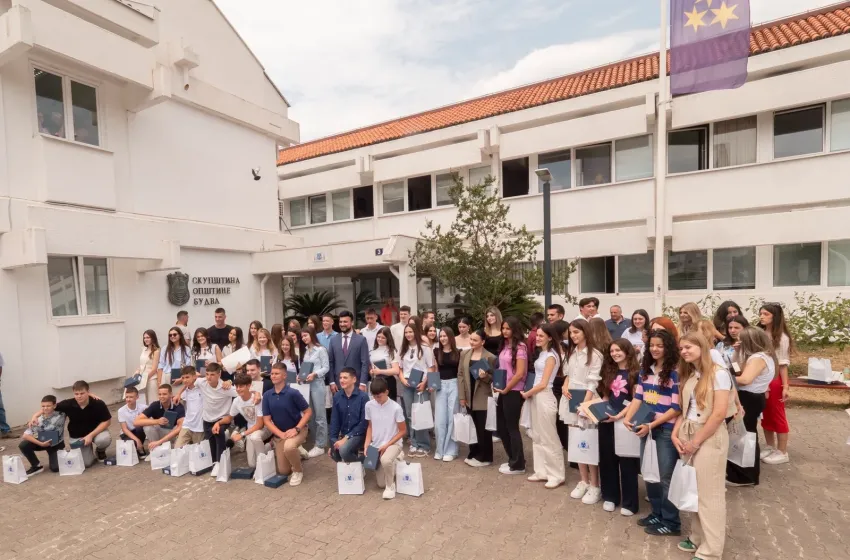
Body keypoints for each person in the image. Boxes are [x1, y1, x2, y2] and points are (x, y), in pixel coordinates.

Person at [673, 332, 734, 560]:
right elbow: (685, 409)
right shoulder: (693, 374)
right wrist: (676, 436)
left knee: (710, 495)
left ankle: (711, 550)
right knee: (694, 490)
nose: (684, 351)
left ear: (703, 347)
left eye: (689, 347)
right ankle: (698, 537)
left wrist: (696, 443)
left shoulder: (719, 374)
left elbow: (718, 414)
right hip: (689, 432)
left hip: (708, 435)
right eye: (682, 348)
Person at [623, 330, 682, 537]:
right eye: (652, 345)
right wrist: (628, 417)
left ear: (668, 348)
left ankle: (671, 522)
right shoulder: (645, 370)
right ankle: (657, 513)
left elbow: (676, 408)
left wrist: (653, 425)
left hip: (664, 430)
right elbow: (638, 397)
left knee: (666, 477)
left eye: (660, 345)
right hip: (646, 428)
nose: (655, 349)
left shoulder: (675, 372)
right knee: (649, 473)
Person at [598, 339, 641, 516]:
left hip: (625, 421)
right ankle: (610, 496)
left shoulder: (636, 373)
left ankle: (630, 502)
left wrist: (620, 415)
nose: (615, 353)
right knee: (607, 459)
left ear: (627, 351)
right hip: (608, 420)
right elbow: (606, 396)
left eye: (618, 350)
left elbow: (635, 400)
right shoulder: (609, 370)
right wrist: (601, 409)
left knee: (627, 462)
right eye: (612, 350)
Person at [727, 327, 775, 487]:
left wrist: (720, 375)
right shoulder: (755, 356)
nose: (738, 341)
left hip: (749, 398)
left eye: (741, 340)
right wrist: (736, 353)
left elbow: (745, 379)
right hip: (750, 397)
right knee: (742, 435)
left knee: (745, 436)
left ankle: (745, 475)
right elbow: (736, 370)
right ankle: (740, 473)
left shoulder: (758, 358)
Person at [564, 319, 603, 503]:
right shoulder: (572, 353)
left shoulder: (595, 354)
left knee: (588, 442)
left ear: (585, 332)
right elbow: (568, 375)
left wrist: (584, 405)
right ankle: (583, 481)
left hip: (587, 400)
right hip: (571, 399)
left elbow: (593, 382)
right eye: (571, 332)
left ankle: (595, 485)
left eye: (576, 332)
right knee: (576, 440)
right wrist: (565, 386)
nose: (573, 336)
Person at [521, 323, 565, 488]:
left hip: (544, 396)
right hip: (536, 396)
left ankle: (556, 474)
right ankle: (541, 471)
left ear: (550, 337)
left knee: (549, 437)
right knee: (537, 435)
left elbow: (544, 383)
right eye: (537, 335)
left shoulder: (551, 356)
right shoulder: (542, 354)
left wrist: (527, 393)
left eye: (541, 336)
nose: (537, 338)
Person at [174, 363, 237, 475]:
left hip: (221, 419)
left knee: (219, 433)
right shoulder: (202, 382)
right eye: (207, 374)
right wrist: (179, 393)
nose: (209, 377)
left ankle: (219, 463)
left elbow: (242, 393)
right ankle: (217, 458)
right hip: (207, 420)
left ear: (219, 374)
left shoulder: (226, 388)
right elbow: (189, 381)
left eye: (212, 374)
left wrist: (230, 382)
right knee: (211, 444)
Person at [263, 362, 312, 486]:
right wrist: (280, 434)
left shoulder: (293, 393)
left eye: (277, 374)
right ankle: (298, 451)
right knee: (284, 471)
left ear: (284, 376)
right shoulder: (267, 395)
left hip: (298, 430)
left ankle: (298, 471)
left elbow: (308, 412)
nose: (273, 376)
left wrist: (297, 428)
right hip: (281, 435)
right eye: (272, 373)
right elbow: (267, 420)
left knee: (289, 447)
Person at [758, 303, 793, 465]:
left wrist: (785, 386)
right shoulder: (760, 333)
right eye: (761, 314)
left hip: (774, 380)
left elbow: (783, 364)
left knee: (777, 414)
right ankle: (770, 446)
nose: (762, 316)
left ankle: (782, 451)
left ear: (775, 316)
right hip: (760, 378)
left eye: (766, 314)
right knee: (765, 414)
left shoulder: (782, 338)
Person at [457, 329, 497, 467]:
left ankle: (485, 457)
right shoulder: (464, 354)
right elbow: (460, 375)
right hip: (468, 395)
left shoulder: (490, 357)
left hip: (482, 396)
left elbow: (494, 378)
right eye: (471, 339)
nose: (472, 342)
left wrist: (485, 377)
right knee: (471, 425)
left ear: (483, 342)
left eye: (475, 340)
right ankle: (473, 452)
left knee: (482, 427)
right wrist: (462, 396)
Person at [364, 376, 407, 499]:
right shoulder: (369, 405)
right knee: (380, 484)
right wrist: (367, 444)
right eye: (374, 396)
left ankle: (391, 486)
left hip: (393, 443)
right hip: (377, 445)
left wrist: (387, 445)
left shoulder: (396, 408)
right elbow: (370, 427)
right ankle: (396, 461)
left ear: (387, 392)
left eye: (379, 396)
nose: (377, 399)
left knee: (386, 460)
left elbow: (403, 430)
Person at [495, 316, 529, 475]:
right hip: (503, 390)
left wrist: (507, 389)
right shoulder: (505, 345)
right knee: (501, 426)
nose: (504, 331)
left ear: (515, 329)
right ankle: (513, 458)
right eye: (503, 328)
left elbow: (520, 373)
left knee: (512, 427)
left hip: (514, 391)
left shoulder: (520, 347)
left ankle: (518, 465)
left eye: (508, 328)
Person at [54, 381, 112, 467]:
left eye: (82, 393)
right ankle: (89, 453)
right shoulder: (68, 404)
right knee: (86, 463)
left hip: (96, 433)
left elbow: (107, 421)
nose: (79, 396)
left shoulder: (98, 403)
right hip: (78, 436)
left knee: (103, 439)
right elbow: (49, 406)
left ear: (88, 392)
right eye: (76, 394)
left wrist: (91, 435)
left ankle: (100, 451)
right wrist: (35, 416)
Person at [399, 323, 435, 457]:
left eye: (410, 332)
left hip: (421, 383)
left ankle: (424, 445)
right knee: (409, 414)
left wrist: (424, 383)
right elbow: (400, 369)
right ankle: (414, 443)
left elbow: (430, 367)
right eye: (406, 332)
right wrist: (403, 380)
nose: (408, 334)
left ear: (416, 332)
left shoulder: (425, 348)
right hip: (407, 384)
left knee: (421, 413)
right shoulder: (403, 349)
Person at [227, 374, 270, 468]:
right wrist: (218, 423)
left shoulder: (257, 399)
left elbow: (259, 425)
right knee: (251, 464)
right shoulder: (236, 401)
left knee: (255, 437)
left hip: (265, 427)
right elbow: (229, 417)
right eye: (236, 386)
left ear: (249, 386)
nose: (238, 389)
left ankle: (262, 466)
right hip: (251, 431)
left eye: (241, 386)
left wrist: (241, 435)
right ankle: (267, 448)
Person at [300, 326, 330, 458]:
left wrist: (315, 374)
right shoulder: (306, 351)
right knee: (310, 414)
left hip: (317, 383)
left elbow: (326, 367)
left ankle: (321, 445)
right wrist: (301, 376)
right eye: (302, 336)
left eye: (306, 335)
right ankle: (315, 441)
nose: (304, 338)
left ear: (312, 335)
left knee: (320, 415)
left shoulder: (321, 349)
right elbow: (305, 368)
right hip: (307, 384)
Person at [328, 368, 369, 462]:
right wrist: (332, 443)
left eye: (345, 378)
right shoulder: (337, 396)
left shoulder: (363, 397)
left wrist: (346, 438)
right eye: (340, 378)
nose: (342, 380)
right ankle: (356, 464)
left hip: (360, 435)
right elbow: (335, 421)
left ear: (354, 379)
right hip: (344, 434)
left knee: (344, 451)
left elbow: (363, 424)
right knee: (334, 454)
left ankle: (361, 465)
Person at [19, 395, 66, 475]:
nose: (45, 408)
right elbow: (25, 435)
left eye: (48, 406)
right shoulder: (38, 420)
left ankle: (60, 454)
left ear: (54, 406)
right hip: (42, 442)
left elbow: (67, 401)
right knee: (24, 445)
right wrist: (41, 444)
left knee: (55, 468)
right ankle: (36, 466)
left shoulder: (62, 414)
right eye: (43, 406)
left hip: (56, 444)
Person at [433, 327, 461, 462]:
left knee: (452, 418)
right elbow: (435, 370)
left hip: (454, 385)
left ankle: (451, 450)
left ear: (450, 337)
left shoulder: (458, 353)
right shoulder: (436, 351)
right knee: (439, 420)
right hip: (441, 386)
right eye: (441, 336)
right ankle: (440, 449)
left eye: (445, 336)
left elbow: (460, 372)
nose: (443, 338)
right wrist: (432, 385)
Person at [328, 310, 371, 392]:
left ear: (352, 323)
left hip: (356, 384)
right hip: (338, 385)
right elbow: (330, 362)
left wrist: (363, 383)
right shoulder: (333, 340)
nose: (342, 324)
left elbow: (365, 363)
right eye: (340, 322)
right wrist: (332, 381)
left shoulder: (361, 340)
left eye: (345, 322)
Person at [134, 384, 185, 453]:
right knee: (147, 427)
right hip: (161, 433)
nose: (161, 396)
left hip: (172, 435)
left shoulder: (178, 406)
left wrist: (159, 442)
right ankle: (155, 451)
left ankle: (169, 448)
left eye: (164, 394)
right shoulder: (155, 405)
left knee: (181, 428)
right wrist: (157, 421)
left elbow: (180, 427)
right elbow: (136, 422)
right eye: (160, 394)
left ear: (170, 394)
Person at [173, 366, 205, 448]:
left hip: (199, 427)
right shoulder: (184, 392)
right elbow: (185, 386)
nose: (185, 380)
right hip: (187, 425)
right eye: (183, 378)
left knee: (199, 453)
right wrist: (178, 394)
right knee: (177, 449)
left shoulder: (202, 387)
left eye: (187, 377)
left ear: (194, 376)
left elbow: (207, 379)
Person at [369, 327, 400, 401]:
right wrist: (371, 371)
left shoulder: (391, 351)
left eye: (383, 338)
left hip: (388, 381)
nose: (380, 339)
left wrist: (380, 371)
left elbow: (396, 370)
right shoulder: (373, 350)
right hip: (376, 381)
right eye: (378, 337)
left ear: (387, 339)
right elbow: (372, 366)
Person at [118, 387, 148, 458]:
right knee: (131, 449)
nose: (128, 399)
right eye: (127, 397)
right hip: (127, 433)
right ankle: (137, 445)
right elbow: (124, 429)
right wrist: (137, 440)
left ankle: (140, 448)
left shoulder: (143, 407)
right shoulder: (121, 411)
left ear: (137, 397)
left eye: (131, 397)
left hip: (138, 431)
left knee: (140, 427)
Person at [136, 330, 161, 405]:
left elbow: (154, 369)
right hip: (142, 379)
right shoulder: (143, 349)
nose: (146, 339)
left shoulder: (156, 351)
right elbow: (141, 365)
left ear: (153, 338)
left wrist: (144, 379)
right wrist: (137, 372)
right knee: (143, 401)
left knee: (152, 401)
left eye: (148, 337)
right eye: (144, 338)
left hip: (151, 379)